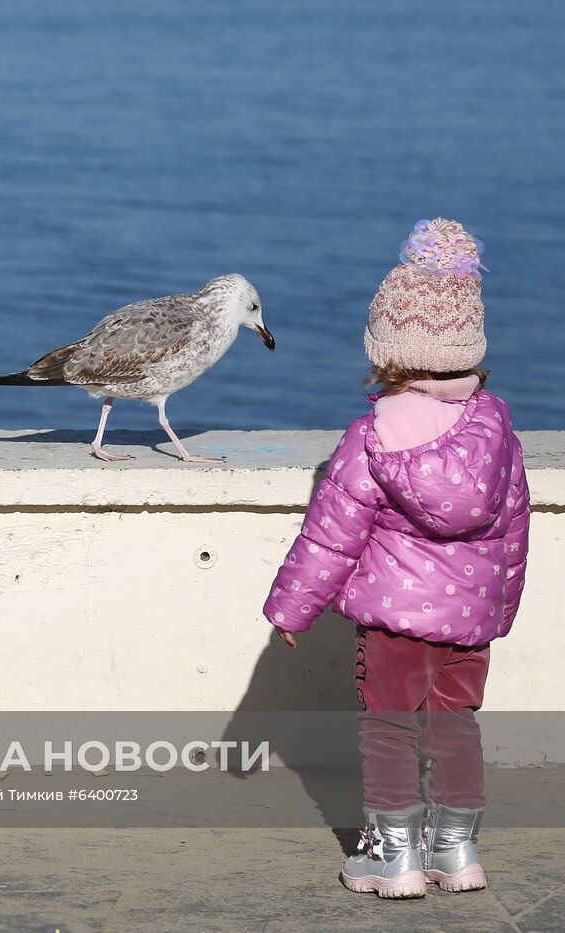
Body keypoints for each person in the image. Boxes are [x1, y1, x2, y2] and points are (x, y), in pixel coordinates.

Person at [262, 219, 530, 899]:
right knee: (454, 726)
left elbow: (331, 535)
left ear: (386, 351)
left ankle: (394, 854)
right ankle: (457, 849)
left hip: (393, 624)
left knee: (388, 729)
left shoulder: (370, 438)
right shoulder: (496, 427)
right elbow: (513, 530)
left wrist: (292, 608)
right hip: (469, 623)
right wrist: (498, 610)